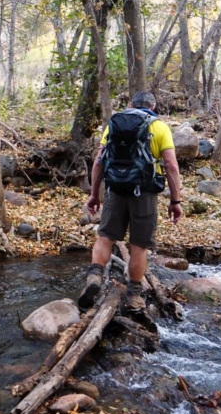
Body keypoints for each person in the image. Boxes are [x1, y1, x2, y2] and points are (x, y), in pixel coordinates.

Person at [78, 91, 182, 310]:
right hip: (144, 192)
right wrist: (175, 201)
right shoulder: (160, 127)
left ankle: (95, 276)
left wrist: (95, 194)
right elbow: (171, 166)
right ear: (153, 107)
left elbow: (99, 162)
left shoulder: (114, 124)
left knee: (105, 237)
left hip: (115, 189)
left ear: (130, 104)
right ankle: (134, 295)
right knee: (139, 245)